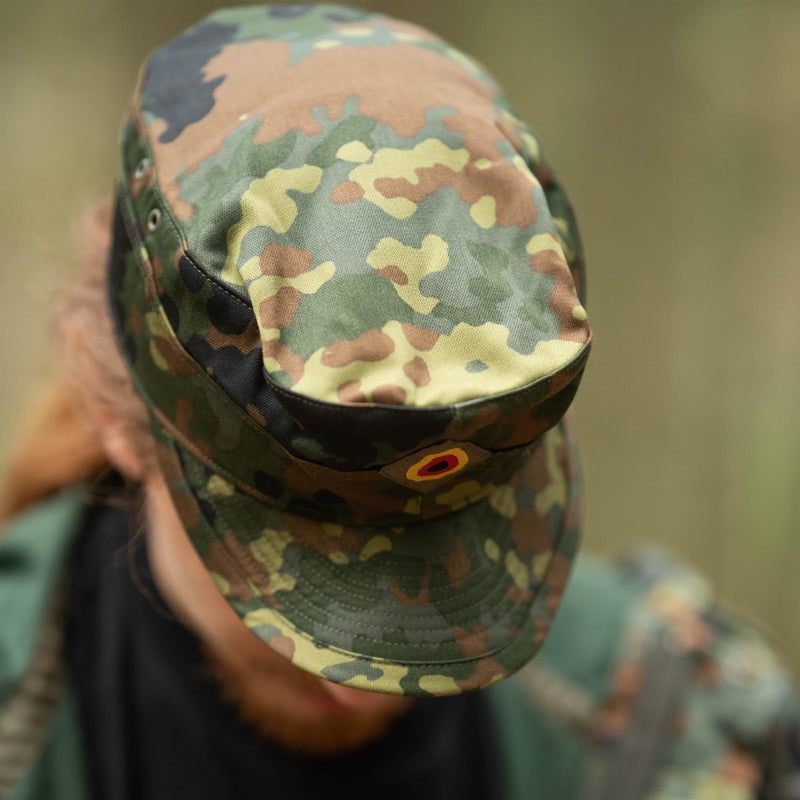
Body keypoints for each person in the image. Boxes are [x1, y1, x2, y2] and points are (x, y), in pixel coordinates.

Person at [0, 5, 797, 799]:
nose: (371, 688)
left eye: (457, 563)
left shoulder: (678, 724)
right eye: (294, 573)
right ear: (119, 417)